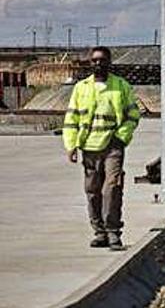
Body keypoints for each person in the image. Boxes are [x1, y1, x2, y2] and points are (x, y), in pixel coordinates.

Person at [63, 46, 140, 251]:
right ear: (90, 63)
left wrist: (121, 137)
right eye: (95, 60)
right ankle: (100, 232)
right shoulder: (81, 88)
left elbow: (133, 115)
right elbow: (72, 118)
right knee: (93, 191)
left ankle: (113, 231)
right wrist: (71, 145)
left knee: (112, 188)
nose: (98, 63)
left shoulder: (121, 86)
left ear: (109, 62)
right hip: (89, 147)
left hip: (113, 146)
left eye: (102, 60)